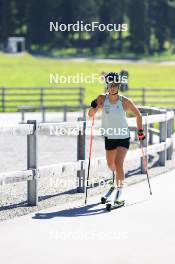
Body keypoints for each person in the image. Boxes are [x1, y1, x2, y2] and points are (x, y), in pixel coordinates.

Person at [88, 72, 145, 204]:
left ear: (119, 86)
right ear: (107, 85)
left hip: (123, 136)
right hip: (110, 137)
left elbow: (138, 115)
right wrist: (93, 107)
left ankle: (120, 193)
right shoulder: (102, 99)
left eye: (115, 85)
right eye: (110, 85)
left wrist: (140, 132)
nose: (113, 87)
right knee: (110, 164)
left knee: (119, 163)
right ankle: (115, 181)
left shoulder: (124, 101)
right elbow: (91, 114)